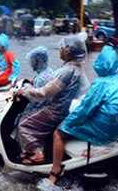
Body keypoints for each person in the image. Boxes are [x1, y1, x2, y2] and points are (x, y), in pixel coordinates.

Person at [49, 45, 118, 185]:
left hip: (102, 131)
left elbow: (85, 109)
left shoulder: (100, 83)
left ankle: (54, 172)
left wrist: (68, 123)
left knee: (58, 134)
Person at [17, 33, 89, 165]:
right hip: (67, 110)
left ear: (68, 51)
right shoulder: (77, 68)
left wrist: (26, 91)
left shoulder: (67, 70)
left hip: (56, 110)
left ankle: (36, 153)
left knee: (24, 124)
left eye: (62, 48)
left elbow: (45, 92)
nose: (60, 51)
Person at [20, 46, 54, 117]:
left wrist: (25, 92)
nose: (31, 64)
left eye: (32, 61)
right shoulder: (49, 71)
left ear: (38, 61)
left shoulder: (41, 79)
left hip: (40, 111)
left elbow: (36, 100)